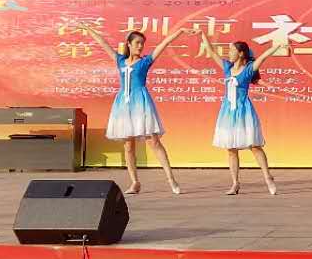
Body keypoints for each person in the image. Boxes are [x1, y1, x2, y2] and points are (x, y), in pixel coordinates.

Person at [73, 24, 187, 196]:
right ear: (129, 44)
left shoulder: (145, 62)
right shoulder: (120, 60)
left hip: (141, 103)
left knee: (154, 142)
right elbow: (103, 43)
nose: (140, 46)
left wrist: (180, 31)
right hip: (123, 106)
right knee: (128, 146)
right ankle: (135, 182)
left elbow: (163, 44)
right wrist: (88, 29)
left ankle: (171, 179)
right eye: (137, 43)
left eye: (142, 43)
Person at [198, 36, 281, 196]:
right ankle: (235, 183)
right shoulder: (227, 67)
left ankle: (268, 178)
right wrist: (202, 34)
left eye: (232, 50)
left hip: (244, 111)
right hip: (228, 112)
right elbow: (212, 52)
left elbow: (264, 56)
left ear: (241, 53)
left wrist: (279, 45)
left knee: (254, 146)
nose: (229, 53)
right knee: (231, 149)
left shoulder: (249, 69)